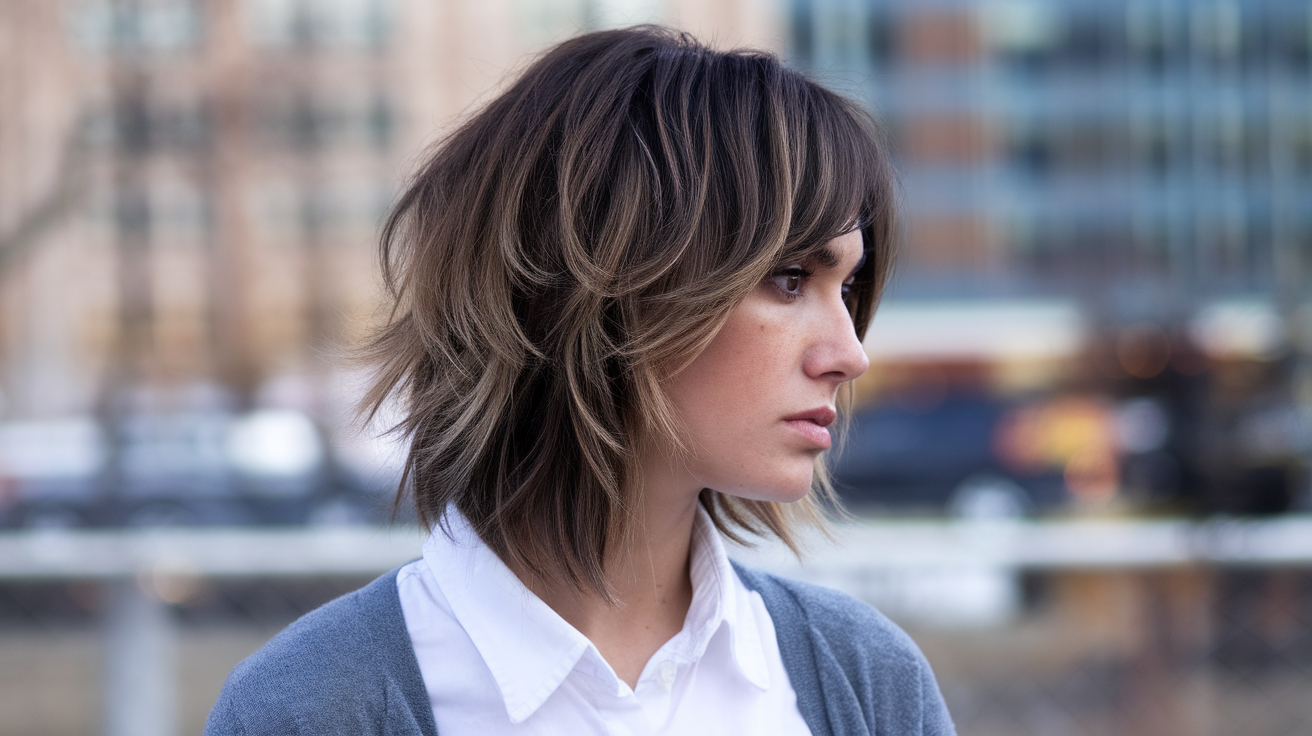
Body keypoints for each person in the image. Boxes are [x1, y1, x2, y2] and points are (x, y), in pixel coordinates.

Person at [205, 26, 955, 736]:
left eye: (849, 291)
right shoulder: (314, 707)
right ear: (607, 290)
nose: (850, 353)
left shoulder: (864, 682)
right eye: (790, 280)